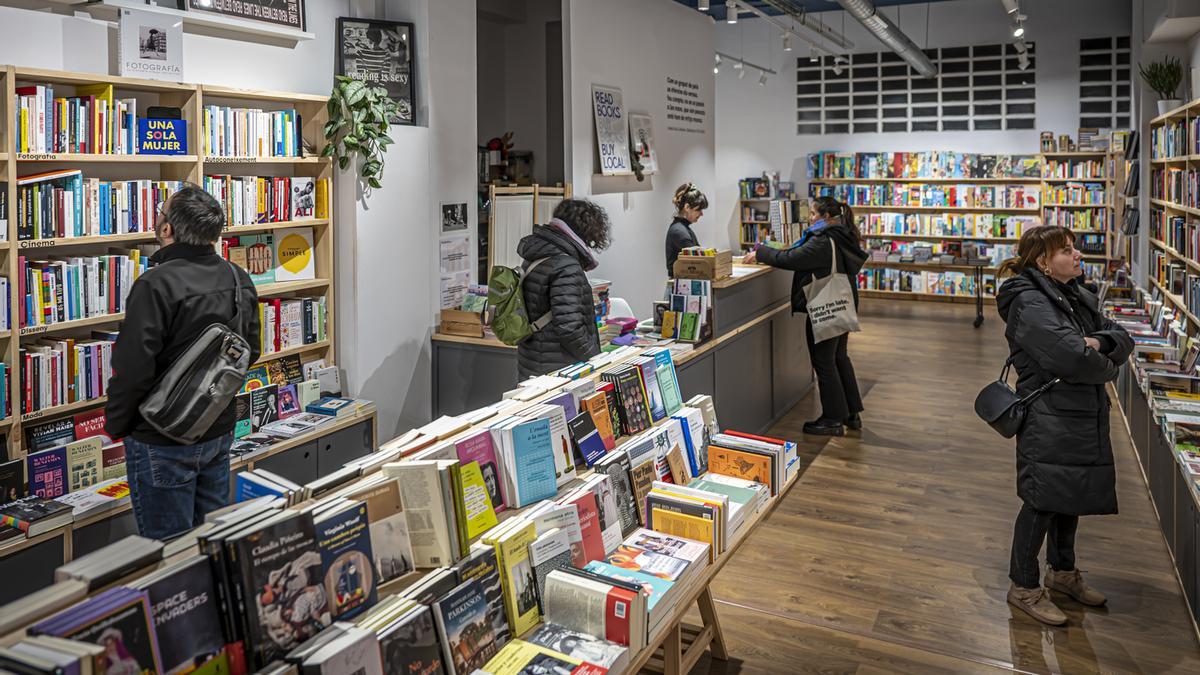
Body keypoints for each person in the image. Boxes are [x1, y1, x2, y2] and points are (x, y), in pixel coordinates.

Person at [995, 225, 1133, 626]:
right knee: (1041, 500)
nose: (1077, 256)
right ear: (1043, 261)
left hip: (1077, 411)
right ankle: (1023, 586)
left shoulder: (1072, 294)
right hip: (1049, 414)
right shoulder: (1030, 301)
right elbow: (1072, 359)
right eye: (1067, 250)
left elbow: (1122, 337)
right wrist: (1101, 357)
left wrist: (1100, 343)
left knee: (1069, 493)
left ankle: (1062, 572)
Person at [105, 184, 261, 541]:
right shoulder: (238, 278)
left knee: (170, 556)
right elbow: (251, 349)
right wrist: (212, 402)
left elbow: (132, 370)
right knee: (216, 543)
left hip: (161, 437)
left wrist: (120, 425)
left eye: (161, 212)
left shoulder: (155, 284)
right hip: (218, 428)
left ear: (167, 230)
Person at [742, 196, 867, 436]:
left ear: (826, 218)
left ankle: (831, 419)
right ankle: (851, 413)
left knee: (824, 362)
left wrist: (761, 251)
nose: (809, 219)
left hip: (825, 306)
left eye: (812, 214)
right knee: (839, 357)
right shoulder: (842, 235)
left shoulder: (823, 241)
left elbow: (790, 259)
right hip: (842, 304)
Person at [516, 199, 612, 378]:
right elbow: (570, 328)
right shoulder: (566, 266)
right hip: (560, 370)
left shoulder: (537, 255)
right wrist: (597, 359)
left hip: (531, 361)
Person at [665, 183, 707, 277]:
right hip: (680, 288)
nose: (701, 214)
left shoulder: (682, 228)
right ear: (687, 207)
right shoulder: (679, 231)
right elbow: (699, 260)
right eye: (698, 210)